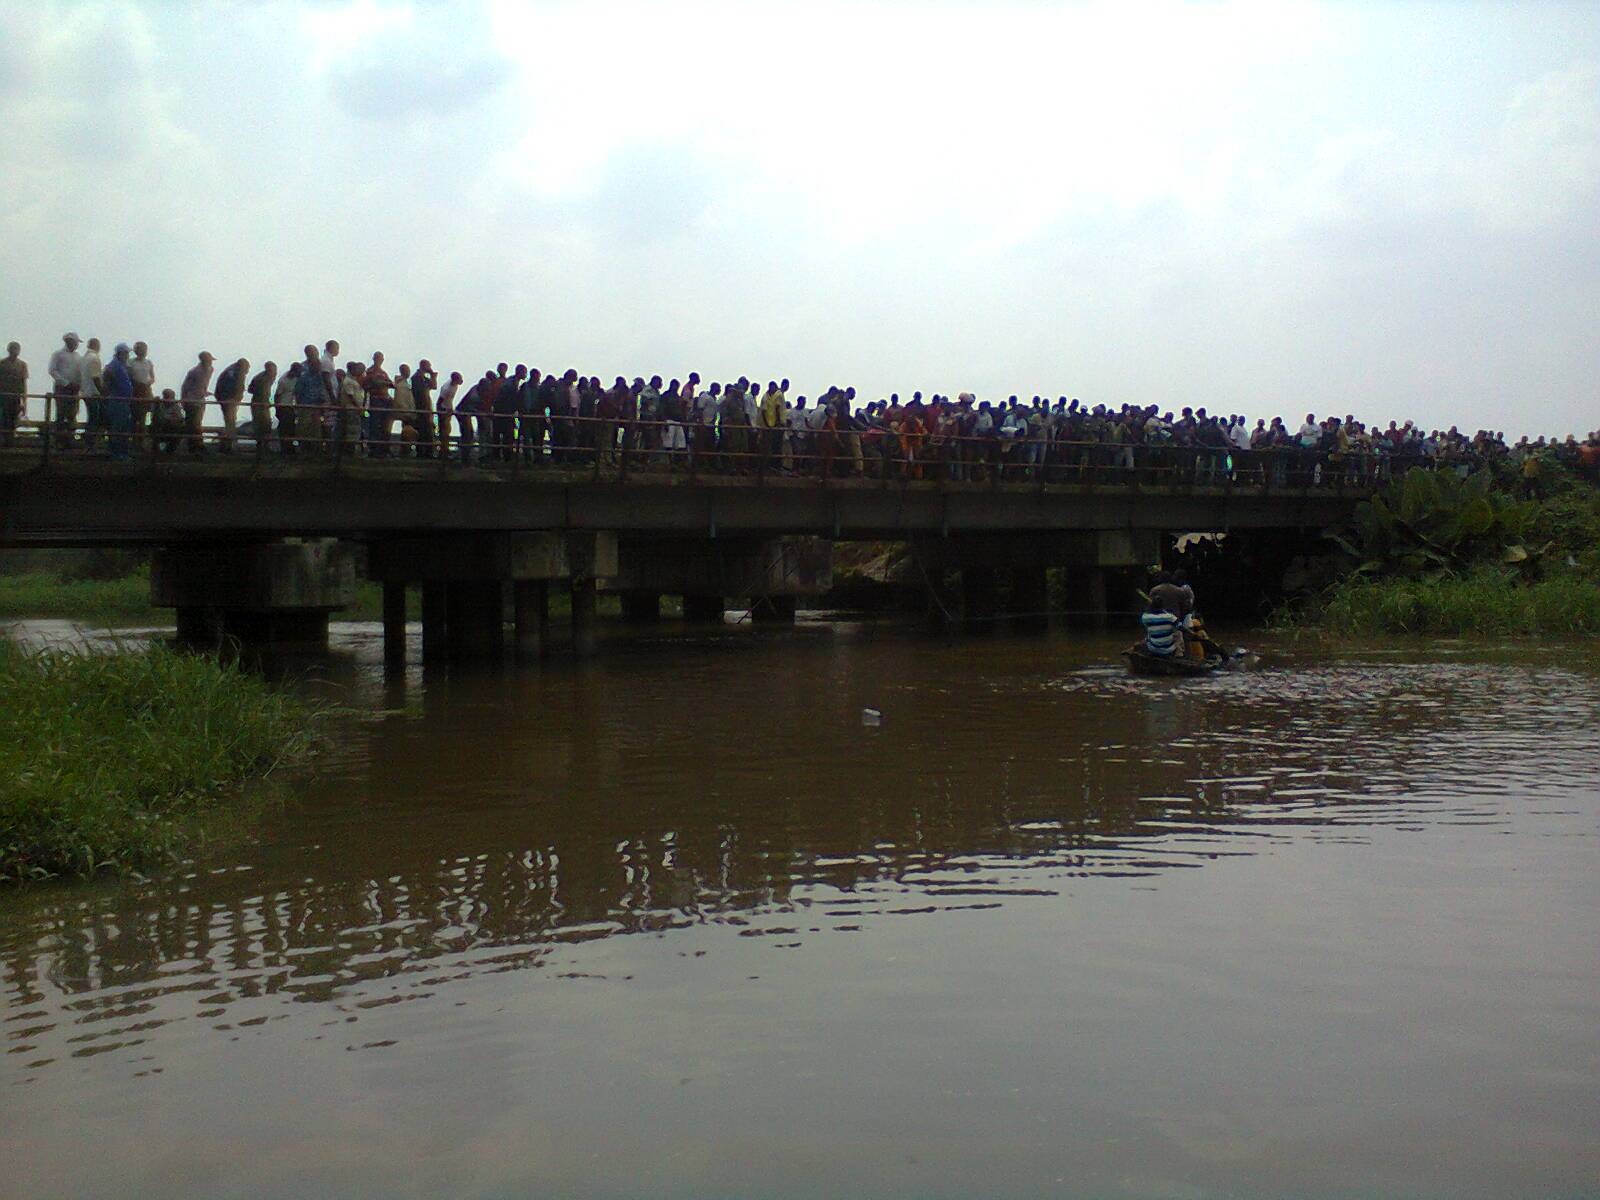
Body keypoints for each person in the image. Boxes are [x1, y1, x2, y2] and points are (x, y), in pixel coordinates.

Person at [47, 332, 83, 449]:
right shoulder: (58, 354)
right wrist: (66, 383)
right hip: (62, 388)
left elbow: (80, 373)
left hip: (74, 389)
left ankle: (69, 439)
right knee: (61, 414)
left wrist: (78, 385)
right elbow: (52, 370)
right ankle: (59, 440)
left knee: (72, 414)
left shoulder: (78, 357)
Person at [101, 343, 134, 460]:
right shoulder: (114, 366)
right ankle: (116, 453)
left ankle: (121, 452)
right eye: (126, 353)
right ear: (121, 353)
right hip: (117, 400)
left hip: (123, 400)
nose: (128, 356)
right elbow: (106, 381)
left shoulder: (121, 366)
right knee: (117, 427)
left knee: (123, 427)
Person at [180, 351, 215, 454]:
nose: (211, 362)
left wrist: (204, 392)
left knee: (196, 422)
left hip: (200, 399)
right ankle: (196, 445)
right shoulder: (195, 372)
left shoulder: (210, 370)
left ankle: (195, 445)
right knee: (194, 423)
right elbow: (185, 387)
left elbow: (202, 384)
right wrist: (184, 399)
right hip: (191, 399)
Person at [213, 357, 249, 451]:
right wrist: (236, 398)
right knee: (230, 422)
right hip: (229, 399)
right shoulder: (237, 372)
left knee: (229, 421)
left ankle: (226, 444)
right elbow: (238, 386)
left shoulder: (230, 370)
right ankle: (228, 445)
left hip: (225, 398)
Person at [128, 341, 155, 453]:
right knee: (134, 417)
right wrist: (137, 383)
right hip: (135, 391)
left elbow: (152, 377)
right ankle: (133, 441)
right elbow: (129, 376)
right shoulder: (131, 362)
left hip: (145, 391)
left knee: (143, 417)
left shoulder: (148, 363)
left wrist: (148, 383)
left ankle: (142, 442)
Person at [79, 337, 104, 452]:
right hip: (93, 392)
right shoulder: (94, 358)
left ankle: (89, 442)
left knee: (92, 417)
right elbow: (96, 377)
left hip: (85, 391)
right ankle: (90, 443)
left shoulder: (84, 358)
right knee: (94, 418)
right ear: (97, 346)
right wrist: (102, 391)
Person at [0, 342, 27, 447]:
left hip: (16, 397)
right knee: (3, 419)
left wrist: (24, 401)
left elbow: (23, 383)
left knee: (13, 420)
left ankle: (10, 441)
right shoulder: (2, 364)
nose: (15, 351)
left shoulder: (22, 365)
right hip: (3, 396)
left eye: (16, 349)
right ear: (8, 350)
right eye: (13, 349)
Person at [247, 361, 278, 451]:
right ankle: (262, 445)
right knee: (262, 424)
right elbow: (251, 389)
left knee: (265, 424)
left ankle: (263, 445)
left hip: (262, 403)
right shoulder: (261, 378)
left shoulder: (266, 377)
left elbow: (251, 389)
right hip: (259, 404)